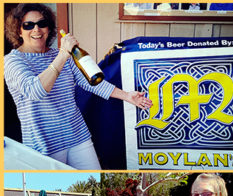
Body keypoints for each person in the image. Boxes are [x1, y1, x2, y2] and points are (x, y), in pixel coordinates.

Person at [4, 3, 152, 169]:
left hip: (76, 134)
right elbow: (35, 90)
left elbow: (89, 82)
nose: (36, 29)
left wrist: (127, 96)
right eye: (28, 25)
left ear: (48, 28)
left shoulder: (59, 55)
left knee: (94, 179)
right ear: (18, 30)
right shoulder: (12, 61)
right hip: (43, 142)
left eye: (41, 23)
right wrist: (62, 55)